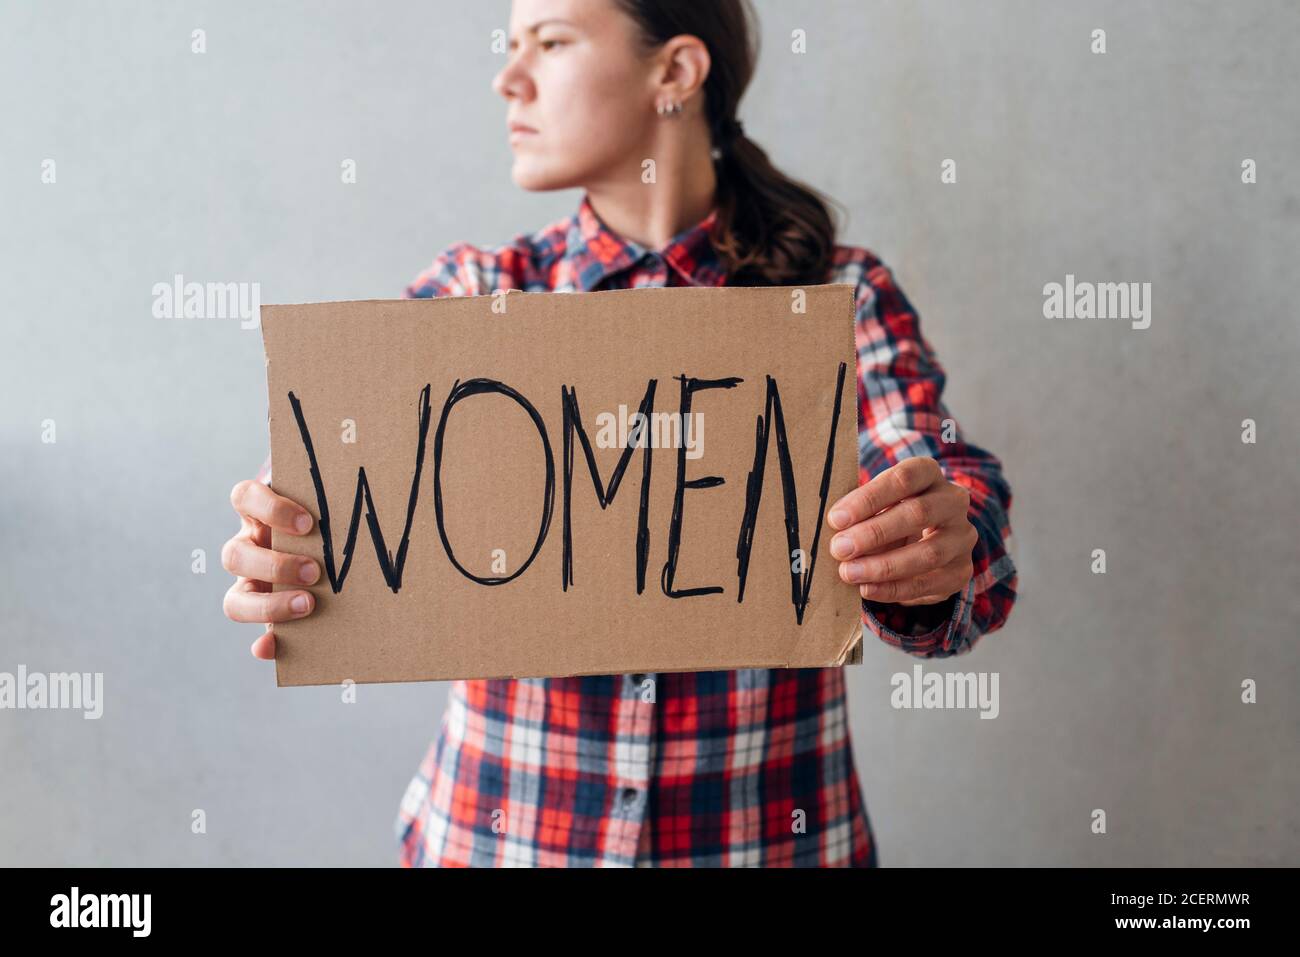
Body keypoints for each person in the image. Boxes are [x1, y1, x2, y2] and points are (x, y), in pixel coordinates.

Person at [221, 0, 1018, 867]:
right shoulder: (474, 294)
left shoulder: (832, 296)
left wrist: (937, 547)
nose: (507, 78)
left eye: (551, 42)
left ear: (675, 71)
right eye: (510, 45)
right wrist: (278, 553)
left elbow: (934, 475)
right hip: (499, 842)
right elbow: (321, 493)